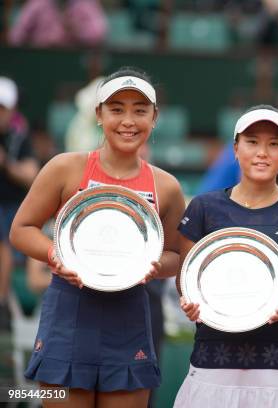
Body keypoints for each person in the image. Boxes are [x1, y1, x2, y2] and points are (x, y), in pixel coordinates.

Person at [9, 67, 185, 407]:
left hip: (129, 321)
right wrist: (55, 255)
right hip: (68, 319)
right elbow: (21, 230)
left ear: (155, 117)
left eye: (140, 110)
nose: (128, 120)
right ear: (98, 115)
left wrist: (153, 265)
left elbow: (176, 256)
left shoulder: (167, 187)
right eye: (116, 109)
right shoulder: (64, 168)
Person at [175, 105, 278, 408]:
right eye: (252, 142)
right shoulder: (203, 207)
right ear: (235, 148)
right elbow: (186, 281)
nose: (262, 152)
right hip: (212, 360)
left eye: (274, 144)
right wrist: (190, 302)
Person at [0, 76, 38, 332]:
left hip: (11, 212)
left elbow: (31, 174)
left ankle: (1, 304)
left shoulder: (20, 139)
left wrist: (5, 164)